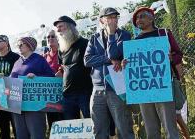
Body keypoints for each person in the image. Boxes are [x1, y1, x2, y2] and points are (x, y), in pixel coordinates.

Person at [122, 7, 183, 139]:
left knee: (170, 127)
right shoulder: (135, 42)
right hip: (144, 89)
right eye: (136, 19)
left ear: (151, 18)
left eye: (142, 16)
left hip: (163, 85)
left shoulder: (164, 33)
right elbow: (133, 66)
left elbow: (178, 54)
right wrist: (126, 64)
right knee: (151, 129)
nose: (139, 20)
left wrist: (172, 58)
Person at [84, 7, 134, 139]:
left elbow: (115, 53)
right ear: (102, 20)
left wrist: (111, 34)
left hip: (117, 88)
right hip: (97, 89)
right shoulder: (94, 38)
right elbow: (87, 60)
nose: (114, 20)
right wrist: (108, 60)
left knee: (124, 127)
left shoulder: (125, 35)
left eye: (115, 17)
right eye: (110, 18)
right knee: (99, 128)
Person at [10, 37, 55, 139]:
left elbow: (51, 78)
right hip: (17, 104)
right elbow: (11, 78)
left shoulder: (39, 59)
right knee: (21, 134)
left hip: (34, 104)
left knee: (36, 133)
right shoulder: (17, 62)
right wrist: (2, 79)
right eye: (18, 45)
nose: (19, 46)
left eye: (21, 44)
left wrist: (37, 78)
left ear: (30, 46)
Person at [54, 16, 92, 120]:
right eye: (57, 28)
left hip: (85, 92)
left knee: (91, 123)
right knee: (71, 125)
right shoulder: (61, 49)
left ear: (70, 27)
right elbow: (63, 67)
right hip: (68, 94)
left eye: (60, 26)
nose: (58, 30)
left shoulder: (85, 43)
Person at [0, 35, 20, 139]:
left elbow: (20, 76)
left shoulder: (16, 57)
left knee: (17, 128)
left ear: (6, 43)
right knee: (3, 129)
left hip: (13, 97)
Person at [43, 30, 64, 129]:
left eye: (52, 36)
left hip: (64, 93)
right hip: (50, 95)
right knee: (53, 124)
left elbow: (66, 66)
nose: (50, 39)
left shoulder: (64, 51)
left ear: (58, 38)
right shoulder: (45, 56)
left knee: (65, 122)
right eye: (48, 37)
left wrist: (61, 71)